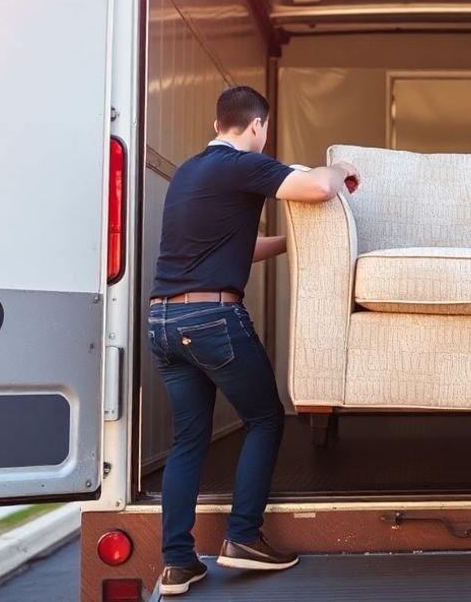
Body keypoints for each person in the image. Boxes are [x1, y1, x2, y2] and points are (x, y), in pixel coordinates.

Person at [148, 85, 359, 596]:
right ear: (257, 126)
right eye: (263, 131)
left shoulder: (190, 172)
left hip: (163, 324)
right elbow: (317, 188)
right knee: (266, 418)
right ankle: (243, 537)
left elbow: (237, 247)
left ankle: (177, 562)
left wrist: (296, 242)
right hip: (213, 320)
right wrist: (340, 174)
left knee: (188, 440)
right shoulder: (242, 164)